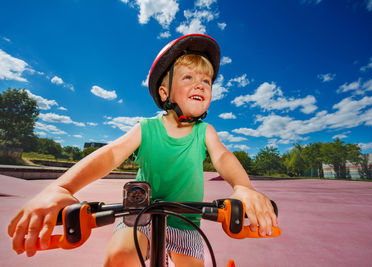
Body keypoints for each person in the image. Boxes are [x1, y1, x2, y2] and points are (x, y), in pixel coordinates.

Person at [8, 34, 278, 267]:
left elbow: (222, 157)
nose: (200, 84)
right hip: (139, 215)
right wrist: (62, 188)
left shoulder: (205, 132)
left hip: (186, 222)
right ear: (164, 92)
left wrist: (244, 188)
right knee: (121, 260)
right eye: (188, 77)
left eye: (206, 81)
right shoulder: (146, 128)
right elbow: (112, 153)